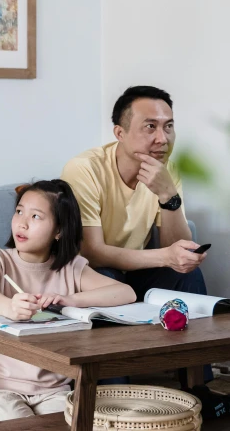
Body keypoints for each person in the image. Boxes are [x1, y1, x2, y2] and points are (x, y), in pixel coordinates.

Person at [0, 180, 135, 431]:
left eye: (36, 216)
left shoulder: (71, 268)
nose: (22, 222)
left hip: (54, 391)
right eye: (19, 211)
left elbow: (125, 292)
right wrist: (9, 307)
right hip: (1, 389)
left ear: (59, 230)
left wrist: (69, 299)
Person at [61, 86, 208, 299]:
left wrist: (169, 196)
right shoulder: (84, 169)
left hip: (136, 271)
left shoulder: (167, 170)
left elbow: (177, 248)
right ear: (120, 133)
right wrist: (165, 257)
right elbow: (91, 252)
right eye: (150, 126)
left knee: (188, 275)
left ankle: (203, 334)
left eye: (168, 127)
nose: (163, 139)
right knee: (108, 278)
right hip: (89, 272)